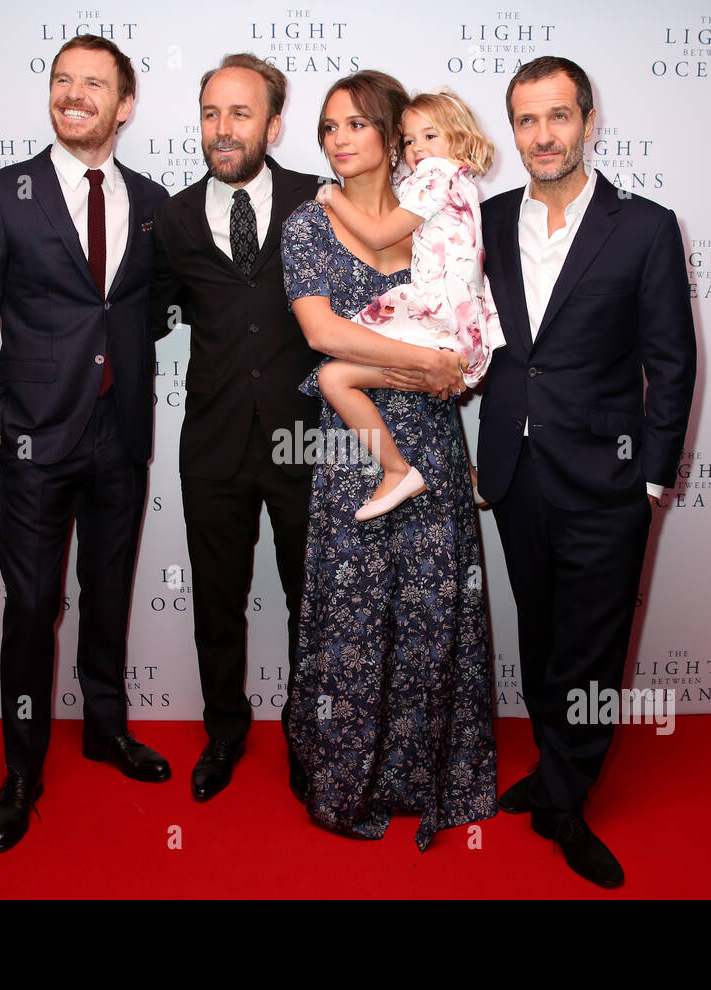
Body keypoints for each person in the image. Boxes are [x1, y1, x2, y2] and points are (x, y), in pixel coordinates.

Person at [444, 55, 696, 886]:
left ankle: (567, 796)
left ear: (588, 121)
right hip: (516, 467)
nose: (542, 135)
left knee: (593, 648)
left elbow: (673, 358)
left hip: (609, 479)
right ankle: (554, 769)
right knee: (546, 633)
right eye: (525, 120)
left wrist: (653, 476)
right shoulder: (482, 221)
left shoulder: (646, 226)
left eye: (558, 117)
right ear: (511, 129)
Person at [0, 34, 172, 854]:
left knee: (108, 591)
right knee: (34, 606)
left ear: (125, 105)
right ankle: (22, 768)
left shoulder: (151, 201)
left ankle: (105, 731)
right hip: (36, 440)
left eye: (93, 84)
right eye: (61, 81)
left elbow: (151, 309)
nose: (73, 95)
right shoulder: (3, 193)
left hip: (121, 433)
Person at [281, 70, 498, 851]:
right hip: (356, 451)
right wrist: (422, 367)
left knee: (432, 611)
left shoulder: (434, 211)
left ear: (389, 132)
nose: (339, 139)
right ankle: (348, 776)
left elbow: (467, 314)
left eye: (355, 126)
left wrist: (442, 371)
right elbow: (322, 335)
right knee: (355, 613)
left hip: (433, 442)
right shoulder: (309, 224)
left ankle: (428, 777)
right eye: (327, 127)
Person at [150, 54, 323, 803]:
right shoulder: (175, 218)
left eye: (241, 114)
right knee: (217, 599)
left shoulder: (320, 203)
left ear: (273, 125)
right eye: (211, 114)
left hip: (306, 438)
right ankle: (225, 730)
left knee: (308, 599)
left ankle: (307, 735)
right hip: (213, 441)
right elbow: (143, 313)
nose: (224, 130)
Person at [313, 89, 505, 521]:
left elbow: (380, 235)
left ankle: (397, 469)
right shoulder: (458, 182)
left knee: (334, 376)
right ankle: (435, 471)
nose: (418, 150)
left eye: (430, 136)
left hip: (441, 324)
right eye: (410, 141)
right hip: (457, 331)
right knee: (338, 373)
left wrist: (333, 198)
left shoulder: (435, 177)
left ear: (457, 139)